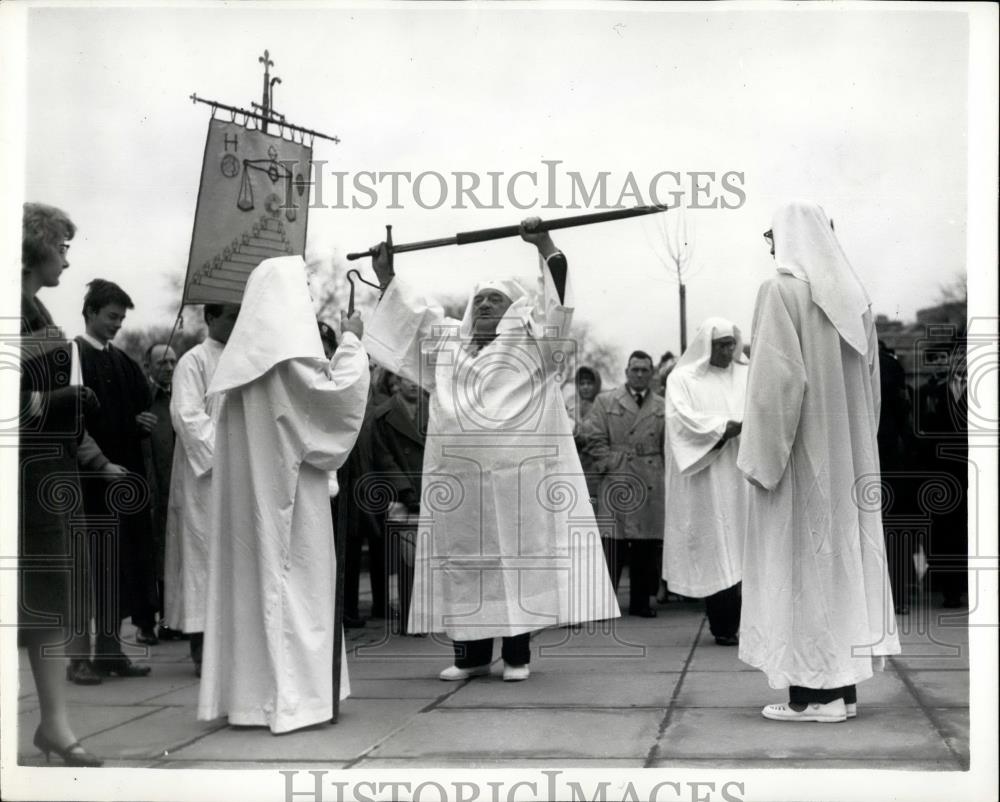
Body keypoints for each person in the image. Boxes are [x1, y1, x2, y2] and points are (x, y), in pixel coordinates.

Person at [364, 217, 619, 682]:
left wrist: (542, 244)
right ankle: (472, 656)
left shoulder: (535, 345)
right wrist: (386, 276)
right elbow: (407, 320)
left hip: (516, 487)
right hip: (460, 489)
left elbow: (558, 304)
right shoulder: (446, 347)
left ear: (511, 310)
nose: (484, 304)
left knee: (515, 563)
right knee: (466, 565)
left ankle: (517, 656)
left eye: (495, 299)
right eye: (479, 299)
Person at [737, 200, 900, 723]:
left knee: (802, 569)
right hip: (847, 459)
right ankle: (842, 692)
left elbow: (774, 385)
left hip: (801, 462)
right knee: (839, 572)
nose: (768, 246)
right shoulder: (854, 301)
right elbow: (871, 390)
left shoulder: (779, 292)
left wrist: (759, 462)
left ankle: (814, 697)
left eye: (771, 235)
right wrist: (856, 446)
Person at [198, 256, 369, 733]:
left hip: (255, 502)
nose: (311, 298)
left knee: (259, 588)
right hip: (291, 498)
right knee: (296, 589)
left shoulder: (242, 363)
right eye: (307, 290)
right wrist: (353, 341)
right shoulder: (289, 359)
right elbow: (336, 406)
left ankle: (255, 699)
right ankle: (295, 700)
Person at [18, 202, 102, 765]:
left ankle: (55, 724)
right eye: (63, 248)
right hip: (18, 478)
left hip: (46, 474)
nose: (68, 261)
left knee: (46, 602)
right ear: (36, 246)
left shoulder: (35, 306)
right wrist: (56, 401)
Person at [67, 279, 157, 683]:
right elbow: (69, 421)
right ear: (89, 313)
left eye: (121, 318)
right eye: (110, 317)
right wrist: (100, 463)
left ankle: (109, 651)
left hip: (123, 478)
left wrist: (142, 423)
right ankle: (77, 659)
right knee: (86, 570)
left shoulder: (122, 361)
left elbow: (137, 410)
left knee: (117, 568)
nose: (117, 325)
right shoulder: (71, 354)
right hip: (86, 481)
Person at [162, 304, 240, 675]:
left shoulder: (248, 358)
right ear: (211, 318)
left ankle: (236, 647)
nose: (237, 323)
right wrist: (221, 454)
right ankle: (203, 650)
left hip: (241, 472)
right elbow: (186, 414)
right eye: (230, 316)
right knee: (202, 555)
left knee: (236, 557)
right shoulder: (193, 361)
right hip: (205, 475)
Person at [662, 318, 749, 646]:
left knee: (747, 545)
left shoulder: (747, 373)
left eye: (731, 343)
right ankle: (724, 626)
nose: (728, 350)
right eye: (721, 344)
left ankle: (752, 625)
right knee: (718, 545)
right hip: (708, 474)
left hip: (744, 471)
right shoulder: (682, 378)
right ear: (705, 346)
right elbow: (681, 419)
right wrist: (722, 428)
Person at [581, 350, 666, 617]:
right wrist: (608, 463)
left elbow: (668, 443)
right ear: (627, 372)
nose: (639, 374)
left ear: (651, 374)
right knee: (612, 545)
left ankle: (642, 602)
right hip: (617, 476)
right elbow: (594, 437)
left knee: (646, 545)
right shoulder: (606, 401)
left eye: (644, 370)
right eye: (635, 370)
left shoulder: (663, 406)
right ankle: (604, 602)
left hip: (650, 476)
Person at [370, 375, 428, 630]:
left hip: (433, 491)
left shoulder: (437, 408)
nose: (413, 384)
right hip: (404, 497)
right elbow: (384, 458)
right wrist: (405, 491)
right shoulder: (384, 416)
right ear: (397, 382)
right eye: (407, 379)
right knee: (408, 560)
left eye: (416, 379)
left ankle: (428, 615)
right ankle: (409, 617)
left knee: (431, 559)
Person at [915, 334, 968, 609]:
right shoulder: (928, 394)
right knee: (947, 532)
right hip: (942, 474)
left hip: (970, 473)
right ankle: (951, 590)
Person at [143, 342, 179, 642]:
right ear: (148, 366)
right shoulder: (144, 398)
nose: (168, 368)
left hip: (175, 484)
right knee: (152, 551)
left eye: (172, 362)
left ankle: (170, 619)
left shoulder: (180, 396)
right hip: (151, 484)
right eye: (162, 362)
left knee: (173, 552)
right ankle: (147, 623)